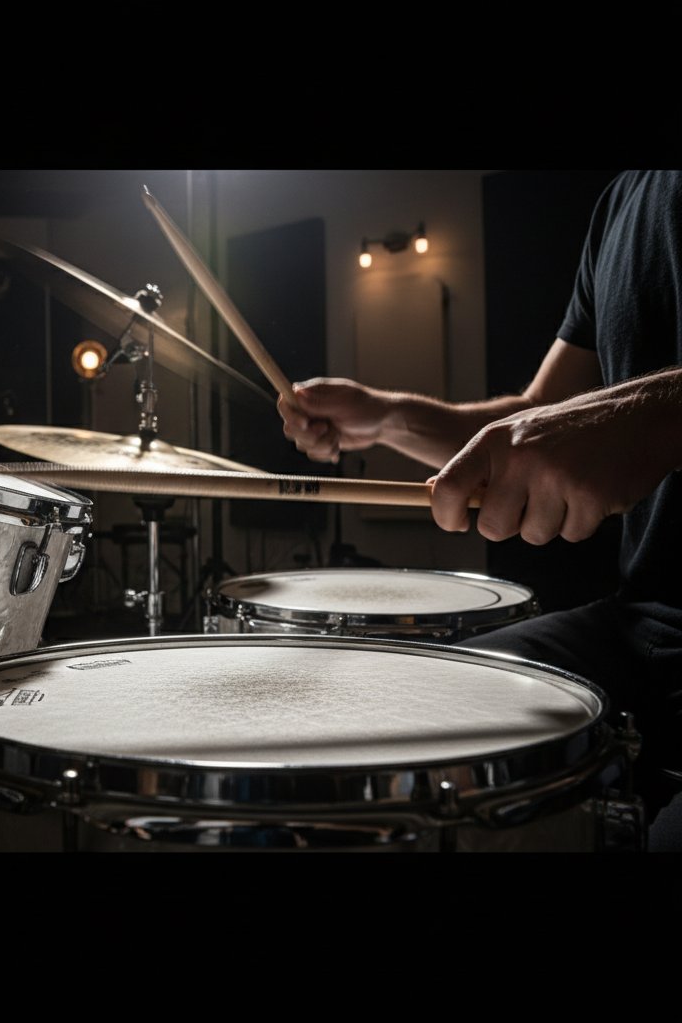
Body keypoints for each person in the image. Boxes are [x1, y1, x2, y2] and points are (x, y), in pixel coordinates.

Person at [277, 170, 682, 839]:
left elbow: (596, 424)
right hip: (640, 624)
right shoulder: (621, 202)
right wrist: (386, 417)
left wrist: (644, 420)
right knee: (389, 715)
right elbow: (542, 417)